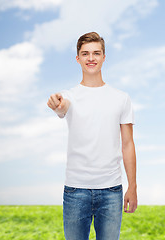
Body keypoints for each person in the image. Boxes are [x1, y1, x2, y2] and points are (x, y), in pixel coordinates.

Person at [47, 32, 137, 240]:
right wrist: (56, 104)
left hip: (111, 191)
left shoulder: (121, 98)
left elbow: (128, 144)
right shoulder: (69, 96)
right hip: (75, 191)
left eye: (96, 53)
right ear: (77, 58)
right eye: (85, 53)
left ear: (104, 57)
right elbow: (62, 107)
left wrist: (132, 186)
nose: (91, 58)